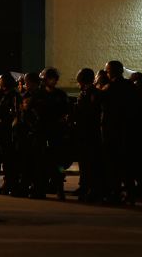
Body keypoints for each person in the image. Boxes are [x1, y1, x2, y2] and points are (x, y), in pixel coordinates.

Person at [101, 60, 140, 205]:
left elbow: (99, 101)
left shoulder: (110, 87)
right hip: (127, 131)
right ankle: (130, 193)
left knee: (114, 165)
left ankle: (116, 194)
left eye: (107, 70)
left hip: (113, 131)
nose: (106, 72)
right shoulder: (130, 86)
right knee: (126, 166)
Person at [38, 67, 70, 200]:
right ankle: (42, 188)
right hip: (42, 132)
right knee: (42, 161)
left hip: (57, 133)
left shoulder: (60, 95)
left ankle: (59, 188)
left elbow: (67, 112)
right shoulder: (39, 94)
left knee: (59, 164)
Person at [73, 68, 103, 202]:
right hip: (87, 133)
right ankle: (85, 186)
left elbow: (89, 113)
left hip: (90, 133)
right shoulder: (88, 92)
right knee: (86, 163)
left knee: (89, 163)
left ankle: (91, 189)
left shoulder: (91, 93)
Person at [0, 73, 21, 195]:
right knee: (6, 160)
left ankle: (12, 184)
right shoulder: (3, 96)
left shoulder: (13, 96)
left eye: (0, 81)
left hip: (9, 133)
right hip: (3, 132)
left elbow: (15, 115)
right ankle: (8, 182)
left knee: (11, 161)